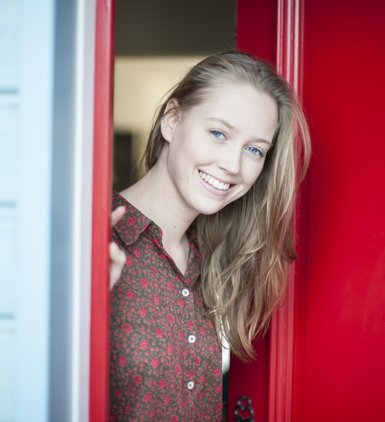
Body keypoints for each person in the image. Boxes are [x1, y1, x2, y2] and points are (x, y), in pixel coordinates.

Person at [108, 51, 311, 421]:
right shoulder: (95, 237)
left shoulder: (210, 256)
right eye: (218, 133)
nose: (233, 165)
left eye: (254, 150)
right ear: (172, 121)